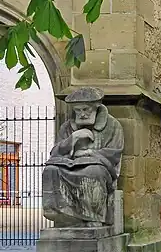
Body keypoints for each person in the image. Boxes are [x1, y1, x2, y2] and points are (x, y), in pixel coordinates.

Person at [42, 87, 124, 227]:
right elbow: (55, 152)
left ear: (96, 108)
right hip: (70, 165)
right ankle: (58, 211)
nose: (82, 114)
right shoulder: (67, 127)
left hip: (100, 167)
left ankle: (93, 217)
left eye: (86, 109)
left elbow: (114, 153)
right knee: (51, 170)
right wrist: (73, 138)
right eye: (78, 110)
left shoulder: (112, 125)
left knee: (93, 171)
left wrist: (89, 153)